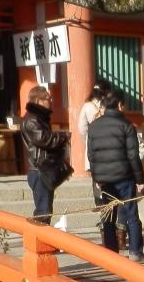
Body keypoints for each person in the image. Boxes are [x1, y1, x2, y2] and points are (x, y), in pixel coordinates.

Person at [87, 89, 144, 259]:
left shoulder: (94, 126)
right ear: (120, 105)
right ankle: (135, 252)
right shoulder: (126, 125)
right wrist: (139, 179)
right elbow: (133, 155)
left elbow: (91, 156)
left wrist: (96, 178)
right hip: (124, 177)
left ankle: (112, 255)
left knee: (109, 216)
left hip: (105, 180)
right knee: (131, 215)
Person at [22, 86, 71, 223]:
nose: (51, 101)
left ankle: (42, 234)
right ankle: (39, 236)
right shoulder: (32, 120)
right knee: (43, 212)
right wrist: (63, 136)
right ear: (38, 100)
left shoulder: (40, 118)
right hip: (39, 169)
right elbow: (45, 139)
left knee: (46, 210)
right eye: (48, 99)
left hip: (44, 167)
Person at [77, 83, 108, 172]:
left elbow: (82, 126)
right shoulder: (107, 104)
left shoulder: (87, 105)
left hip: (92, 138)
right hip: (107, 138)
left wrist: (86, 138)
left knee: (94, 168)